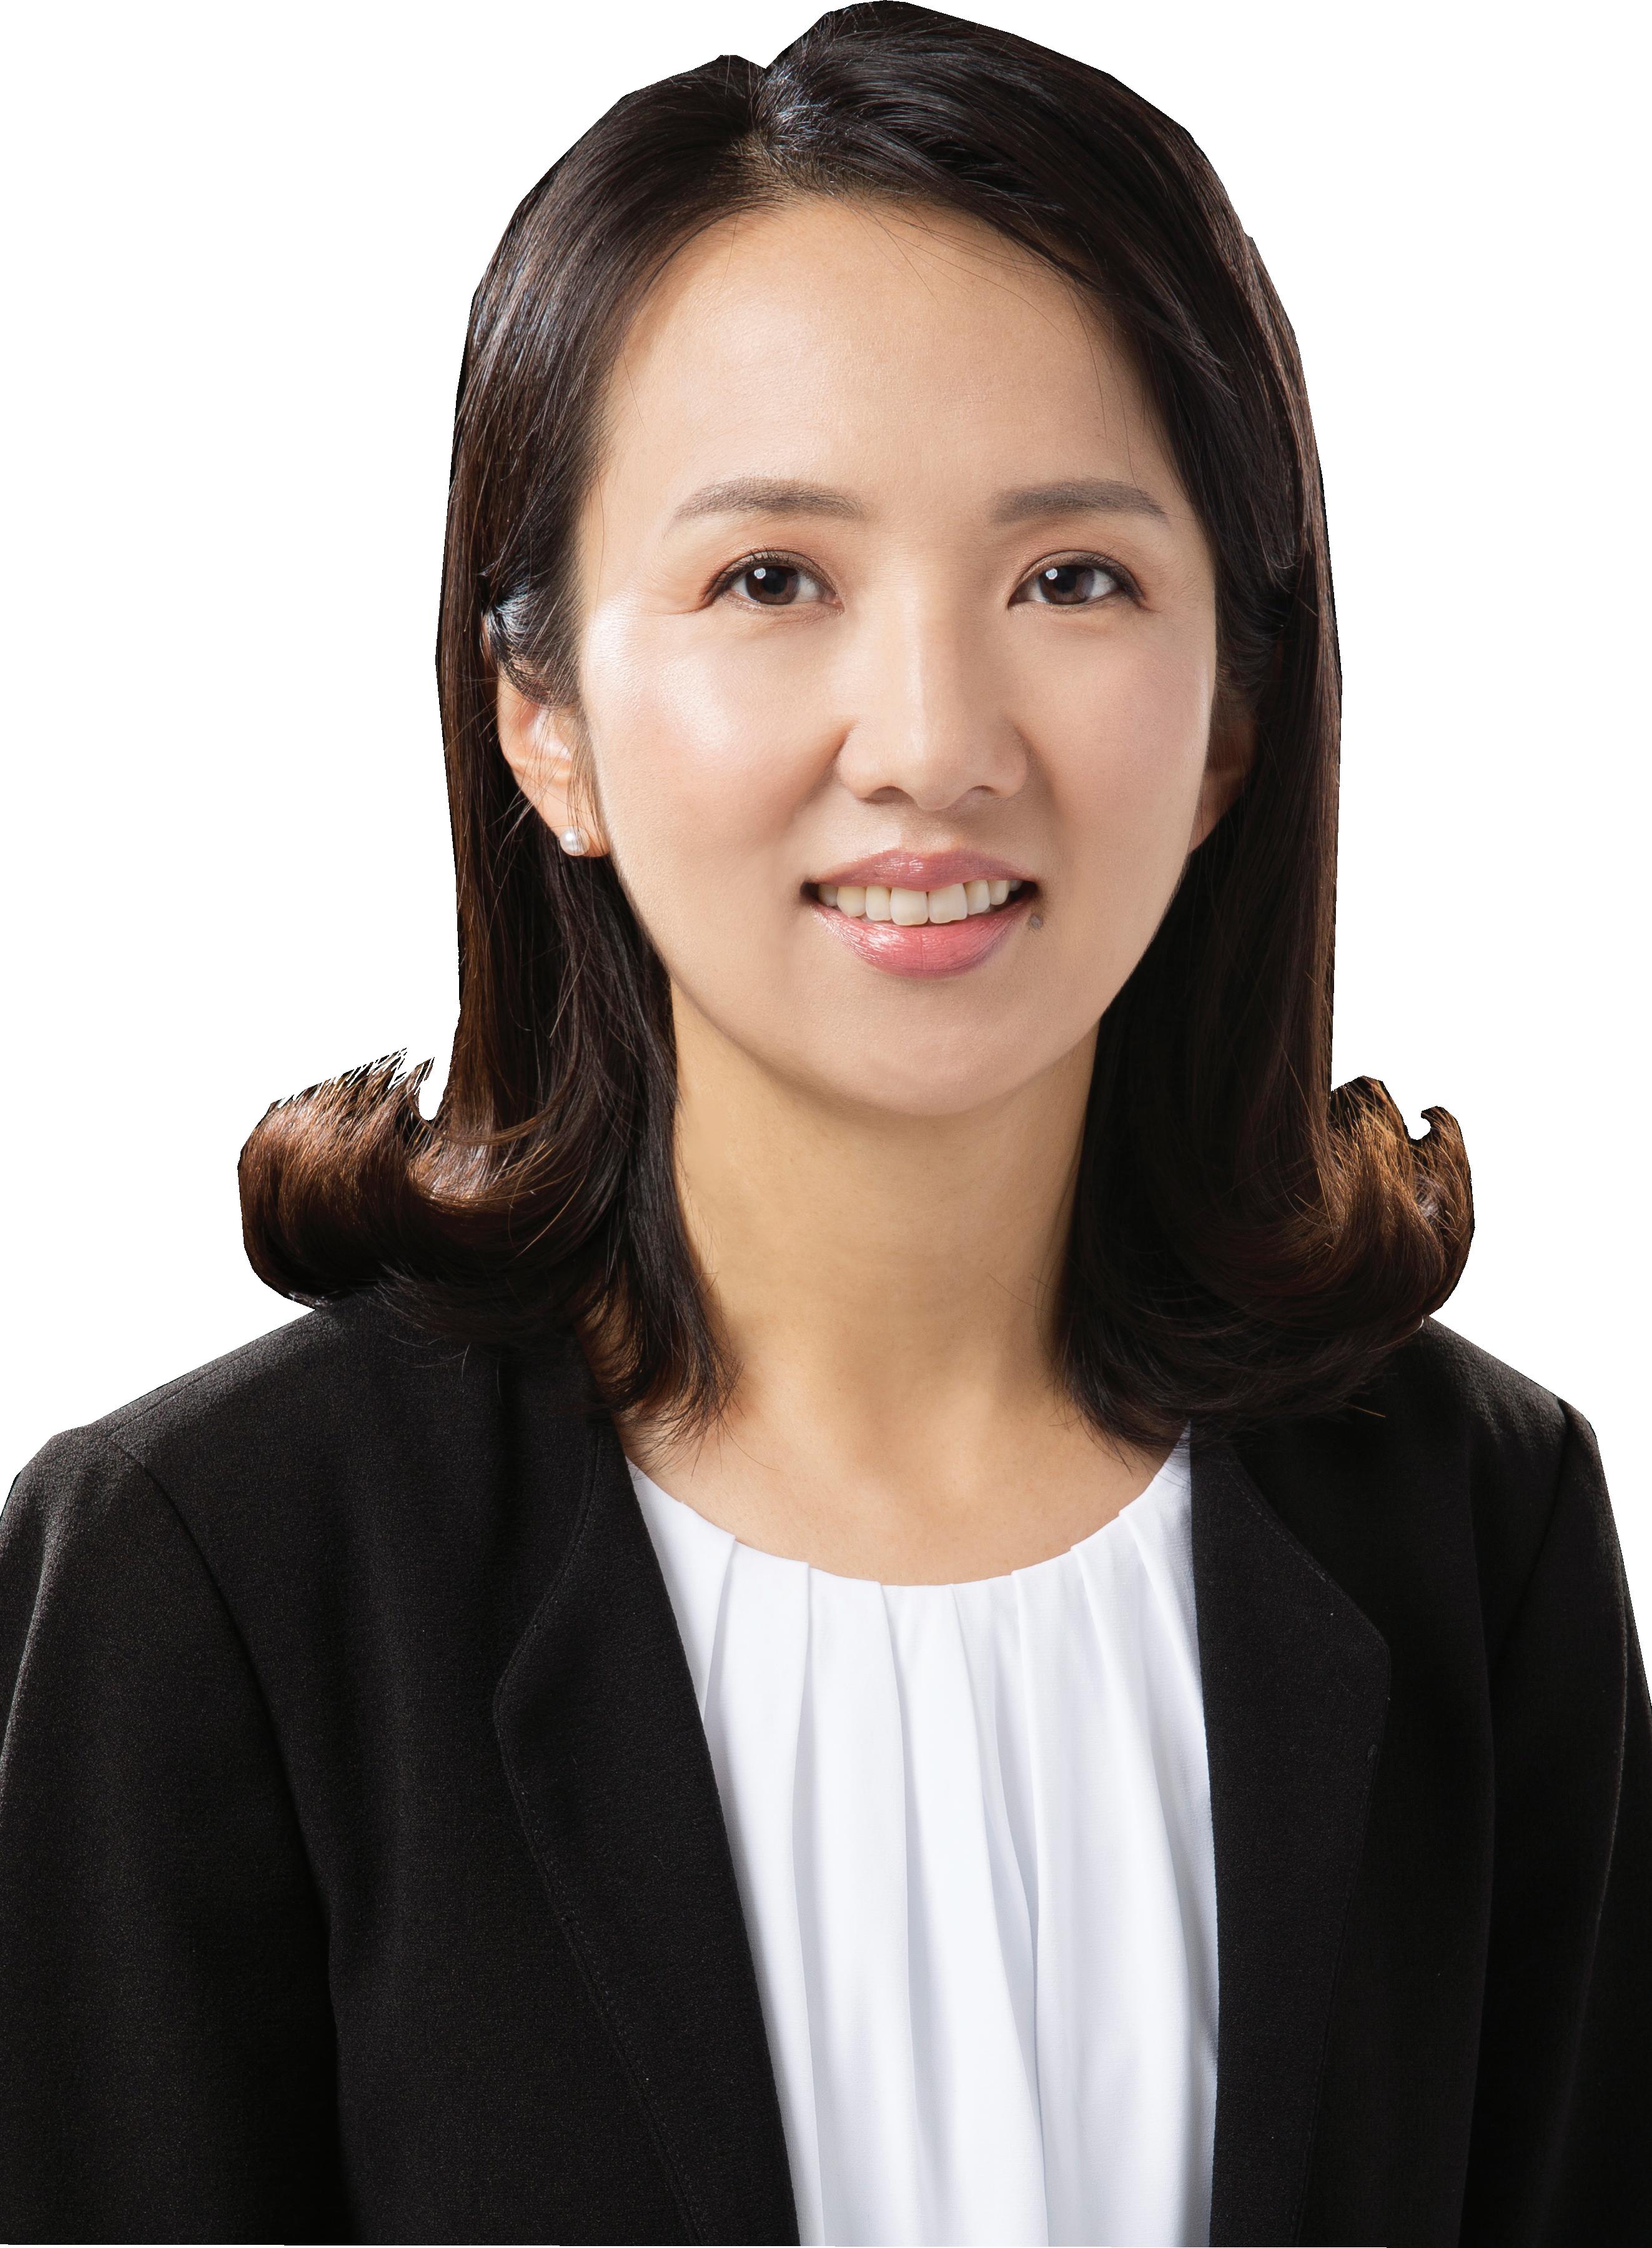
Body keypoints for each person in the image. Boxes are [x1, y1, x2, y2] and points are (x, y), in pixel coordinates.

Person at [1, 5, 1645, 2243]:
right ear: (542, 715)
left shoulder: (1479, 1532)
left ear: (1233, 720)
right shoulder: (212, 1577)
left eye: (1072, 579)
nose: (933, 741)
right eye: (772, 579)